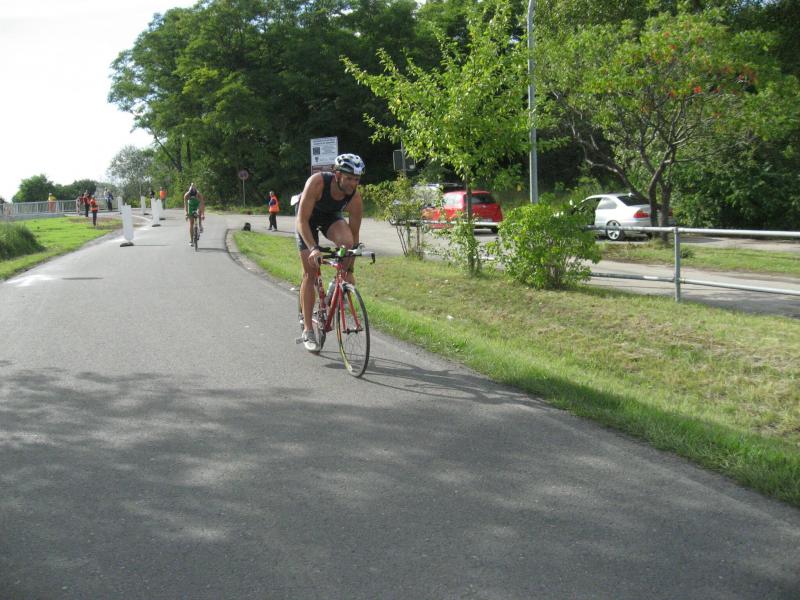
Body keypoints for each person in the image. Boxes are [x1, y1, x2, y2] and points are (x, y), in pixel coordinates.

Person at [295, 153, 365, 352]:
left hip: (330, 217)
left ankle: (336, 285)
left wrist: (350, 270)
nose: (353, 183)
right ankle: (308, 330)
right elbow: (301, 220)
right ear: (337, 174)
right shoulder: (317, 182)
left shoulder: (354, 197)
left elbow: (354, 235)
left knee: (347, 242)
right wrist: (313, 248)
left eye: (357, 179)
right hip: (306, 220)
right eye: (349, 178)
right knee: (310, 272)